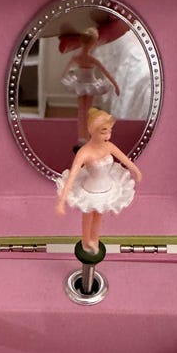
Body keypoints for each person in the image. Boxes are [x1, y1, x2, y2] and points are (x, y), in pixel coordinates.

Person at [56, 108, 142, 254]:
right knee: (88, 215)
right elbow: (72, 176)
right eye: (103, 132)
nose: (108, 135)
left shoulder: (109, 146)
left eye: (110, 131)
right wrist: (62, 201)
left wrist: (136, 170)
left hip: (107, 187)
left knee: (98, 216)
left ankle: (94, 240)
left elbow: (125, 159)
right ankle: (86, 241)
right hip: (90, 189)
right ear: (92, 131)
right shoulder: (84, 152)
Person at [61, 28, 120, 143]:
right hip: (89, 84)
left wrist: (65, 78)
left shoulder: (76, 57)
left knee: (81, 111)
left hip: (80, 83)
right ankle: (86, 136)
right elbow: (106, 73)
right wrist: (115, 85)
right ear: (93, 43)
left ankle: (82, 136)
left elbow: (64, 73)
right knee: (87, 111)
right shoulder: (92, 59)